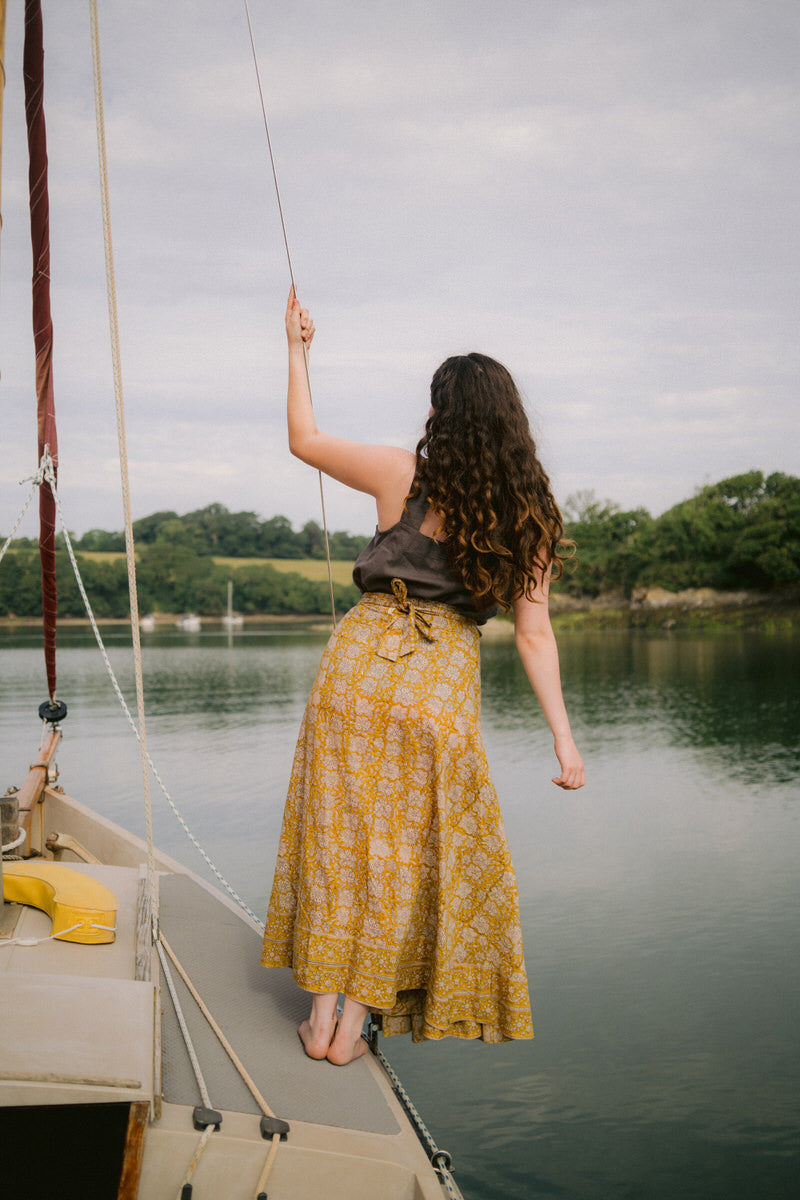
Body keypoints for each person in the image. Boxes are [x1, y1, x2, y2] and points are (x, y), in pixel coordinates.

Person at [261, 289, 585, 1066]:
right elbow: (535, 637)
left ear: (442, 413)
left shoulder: (403, 475)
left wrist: (299, 349)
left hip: (362, 661)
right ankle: (352, 1030)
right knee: (404, 851)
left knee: (337, 833)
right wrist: (565, 742)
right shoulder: (531, 515)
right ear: (512, 421)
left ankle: (319, 1012)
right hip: (439, 682)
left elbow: (304, 438)